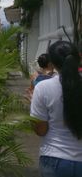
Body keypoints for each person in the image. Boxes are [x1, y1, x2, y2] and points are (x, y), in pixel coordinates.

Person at [30, 41, 82, 176]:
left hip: (55, 159)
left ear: (51, 63)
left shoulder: (43, 88)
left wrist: (34, 112)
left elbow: (41, 130)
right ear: (78, 59)